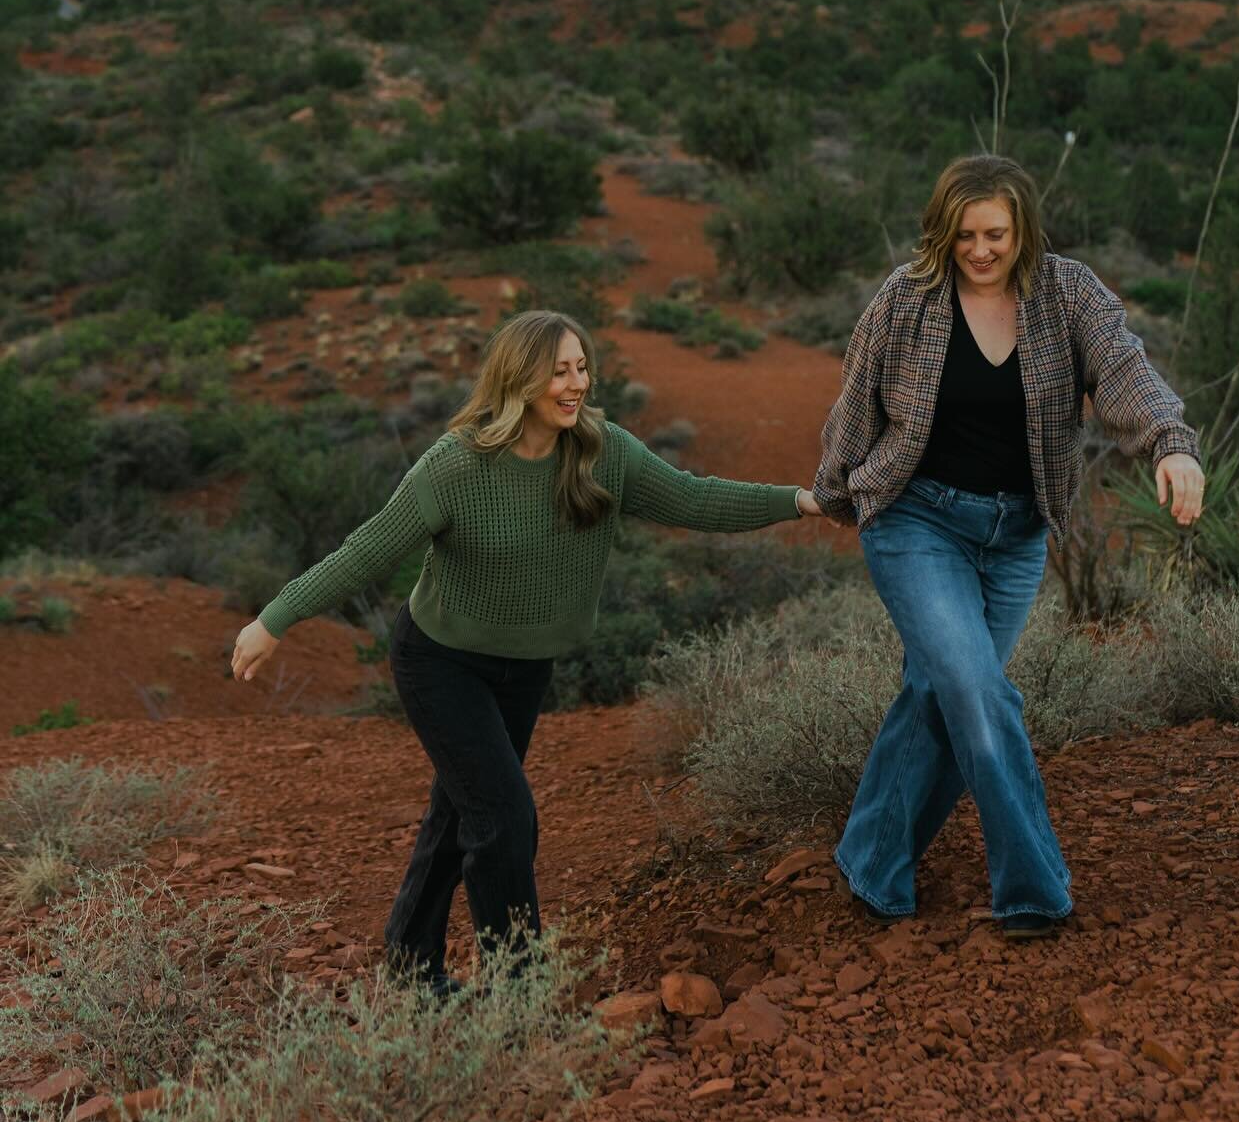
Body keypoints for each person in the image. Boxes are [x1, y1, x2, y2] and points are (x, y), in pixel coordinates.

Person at [232, 309, 824, 992]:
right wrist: (276, 618)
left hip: (523, 668)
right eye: (558, 372)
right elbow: (367, 548)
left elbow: (695, 499)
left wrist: (797, 501)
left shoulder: (604, 451)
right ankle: (519, 992)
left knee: (463, 812)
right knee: (504, 817)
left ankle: (408, 960)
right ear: (518, 379)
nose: (574, 384)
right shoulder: (457, 466)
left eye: (581, 368)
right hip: (440, 660)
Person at [812, 154, 1204, 940]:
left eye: (995, 234)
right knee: (978, 692)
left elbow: (1126, 369)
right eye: (964, 236)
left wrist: (1169, 441)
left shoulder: (1068, 294)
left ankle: (871, 861)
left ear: (1023, 228)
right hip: (916, 521)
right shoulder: (905, 301)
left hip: (1017, 534)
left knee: (939, 691)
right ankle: (1033, 886)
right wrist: (832, 491)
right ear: (942, 233)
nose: (980, 250)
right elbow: (857, 403)